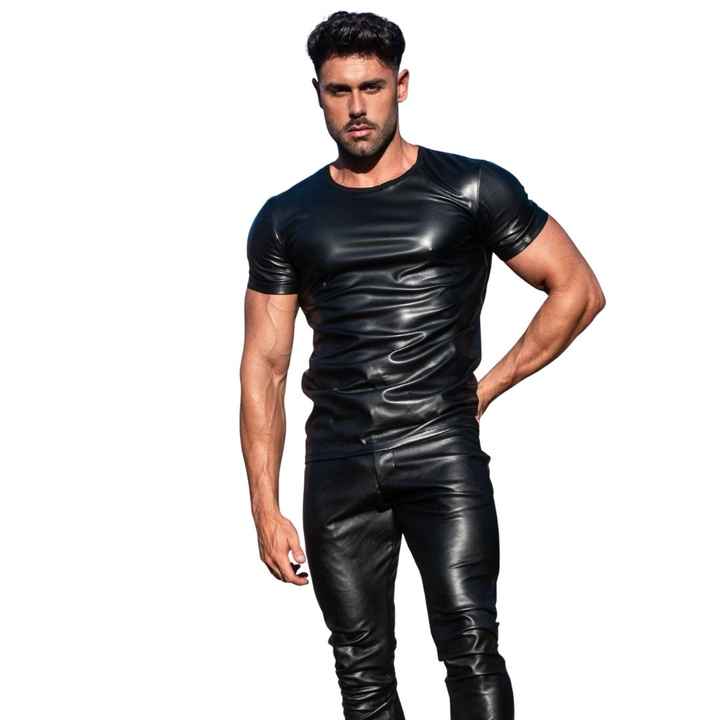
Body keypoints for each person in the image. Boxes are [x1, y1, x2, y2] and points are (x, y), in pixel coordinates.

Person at [239, 10, 605, 720]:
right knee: (361, 673)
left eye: (371, 87)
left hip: (441, 453)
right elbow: (265, 365)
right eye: (339, 90)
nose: (357, 107)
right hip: (339, 465)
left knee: (471, 651)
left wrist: (487, 388)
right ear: (317, 94)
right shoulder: (286, 217)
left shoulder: (471, 188)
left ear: (401, 85)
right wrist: (264, 507)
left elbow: (578, 290)